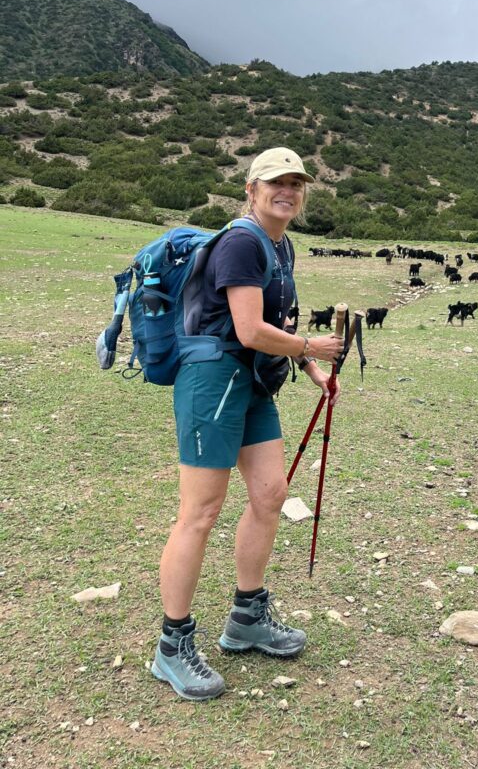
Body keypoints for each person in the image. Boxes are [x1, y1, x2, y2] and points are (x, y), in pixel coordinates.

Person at [151, 147, 344, 701]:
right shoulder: (240, 241)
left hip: (255, 383)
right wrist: (312, 345)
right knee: (200, 512)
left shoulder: (282, 246)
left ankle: (247, 617)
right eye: (275, 182)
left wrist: (310, 367)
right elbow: (249, 328)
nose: (287, 191)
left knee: (268, 494)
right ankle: (172, 645)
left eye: (296, 183)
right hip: (214, 382)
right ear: (251, 189)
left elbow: (277, 322)